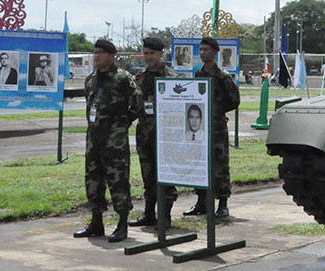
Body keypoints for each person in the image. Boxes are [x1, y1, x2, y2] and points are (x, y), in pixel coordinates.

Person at [74, 39, 139, 243]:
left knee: (118, 179)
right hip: (94, 137)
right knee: (93, 179)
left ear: (111, 56)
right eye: (95, 52)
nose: (96, 56)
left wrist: (122, 123)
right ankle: (96, 222)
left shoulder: (122, 78)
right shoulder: (91, 79)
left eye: (101, 53)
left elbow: (137, 103)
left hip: (114, 140)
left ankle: (122, 224)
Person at [183, 36, 240, 218]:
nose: (203, 53)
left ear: (215, 52)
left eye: (206, 49)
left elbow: (234, 100)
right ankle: (202, 202)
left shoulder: (222, 76)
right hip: (199, 127)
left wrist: (217, 111)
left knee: (220, 165)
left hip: (217, 128)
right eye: (201, 50)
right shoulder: (198, 75)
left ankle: (222, 203)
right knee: (199, 163)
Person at [129, 37, 178, 229]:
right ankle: (149, 214)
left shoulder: (172, 78)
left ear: (161, 54)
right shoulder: (140, 78)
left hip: (166, 135)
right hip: (145, 135)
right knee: (147, 175)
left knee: (166, 175)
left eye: (152, 53)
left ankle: (165, 216)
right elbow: (135, 106)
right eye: (146, 53)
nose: (148, 57)